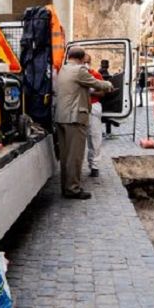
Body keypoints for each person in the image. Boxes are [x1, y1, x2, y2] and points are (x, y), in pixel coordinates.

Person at [54, 48, 113, 199]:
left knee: (66, 156)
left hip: (61, 117)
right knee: (75, 156)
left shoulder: (63, 69)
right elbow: (96, 84)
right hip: (75, 118)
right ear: (80, 59)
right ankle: (73, 189)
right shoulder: (79, 70)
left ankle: (66, 187)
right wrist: (108, 84)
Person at [82, 54, 107, 177]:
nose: (86, 64)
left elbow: (102, 92)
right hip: (79, 107)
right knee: (79, 139)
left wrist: (91, 92)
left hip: (93, 106)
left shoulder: (96, 75)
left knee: (94, 137)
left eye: (88, 62)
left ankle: (94, 166)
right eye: (84, 61)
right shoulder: (77, 75)